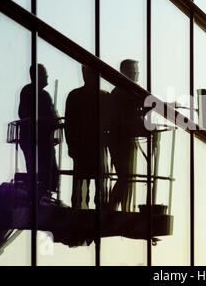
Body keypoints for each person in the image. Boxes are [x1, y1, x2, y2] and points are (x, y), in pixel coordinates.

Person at [64, 65, 110, 209]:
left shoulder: (75, 96)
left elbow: (69, 124)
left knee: (83, 187)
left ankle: (81, 211)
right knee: (98, 184)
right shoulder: (104, 96)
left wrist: (71, 146)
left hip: (83, 148)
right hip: (95, 147)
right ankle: (97, 211)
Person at [108, 59, 149, 212]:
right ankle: (112, 208)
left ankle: (113, 207)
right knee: (125, 177)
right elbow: (124, 119)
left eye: (136, 71)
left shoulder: (123, 92)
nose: (137, 74)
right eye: (134, 71)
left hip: (122, 140)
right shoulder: (124, 92)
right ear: (125, 73)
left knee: (125, 177)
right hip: (121, 141)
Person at [18, 63, 60, 199]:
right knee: (46, 172)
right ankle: (40, 197)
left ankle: (41, 196)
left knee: (44, 173)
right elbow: (24, 113)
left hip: (38, 139)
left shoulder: (34, 92)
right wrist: (47, 120)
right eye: (45, 74)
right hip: (37, 140)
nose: (47, 77)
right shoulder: (34, 93)